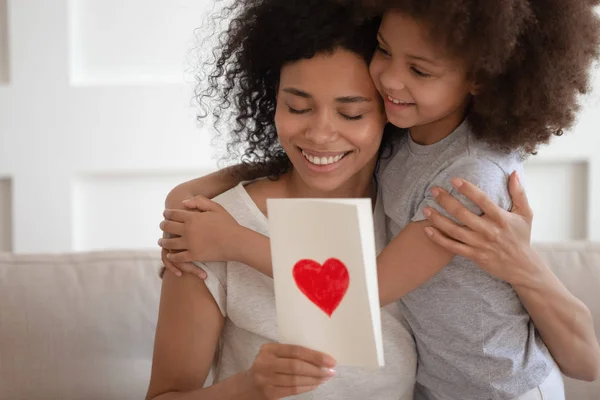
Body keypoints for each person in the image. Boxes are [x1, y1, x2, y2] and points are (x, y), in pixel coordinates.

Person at [160, 0, 600, 398]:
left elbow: (363, 290)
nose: (392, 79)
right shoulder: (408, 144)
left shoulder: (466, 184)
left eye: (352, 113)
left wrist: (235, 241)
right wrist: (187, 195)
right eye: (297, 107)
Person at [146, 2, 417, 399]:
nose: (321, 134)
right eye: (298, 107)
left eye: (352, 114)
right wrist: (249, 387)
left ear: (389, 113)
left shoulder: (411, 215)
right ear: (272, 100)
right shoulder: (209, 227)